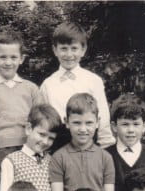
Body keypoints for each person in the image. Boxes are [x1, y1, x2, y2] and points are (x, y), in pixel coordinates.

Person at [38, 21, 116, 151]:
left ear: (83, 50)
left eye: (74, 48)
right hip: (59, 147)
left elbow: (102, 117)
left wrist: (106, 146)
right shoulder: (48, 84)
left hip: (89, 143)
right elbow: (43, 122)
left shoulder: (93, 81)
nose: (69, 55)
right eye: (63, 49)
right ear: (55, 50)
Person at [50, 93, 116, 191]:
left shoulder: (105, 157)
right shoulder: (58, 157)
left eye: (89, 123)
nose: (83, 129)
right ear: (67, 122)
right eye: (77, 123)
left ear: (97, 122)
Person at [0, 31, 40, 164]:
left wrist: (37, 151)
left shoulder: (31, 88)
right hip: (0, 151)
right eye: (3, 57)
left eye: (13, 57)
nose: (8, 62)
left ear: (21, 59)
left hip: (28, 147)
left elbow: (40, 123)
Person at [0, 104, 61, 191]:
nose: (45, 141)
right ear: (28, 129)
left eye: (51, 138)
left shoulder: (53, 161)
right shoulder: (12, 160)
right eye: (42, 134)